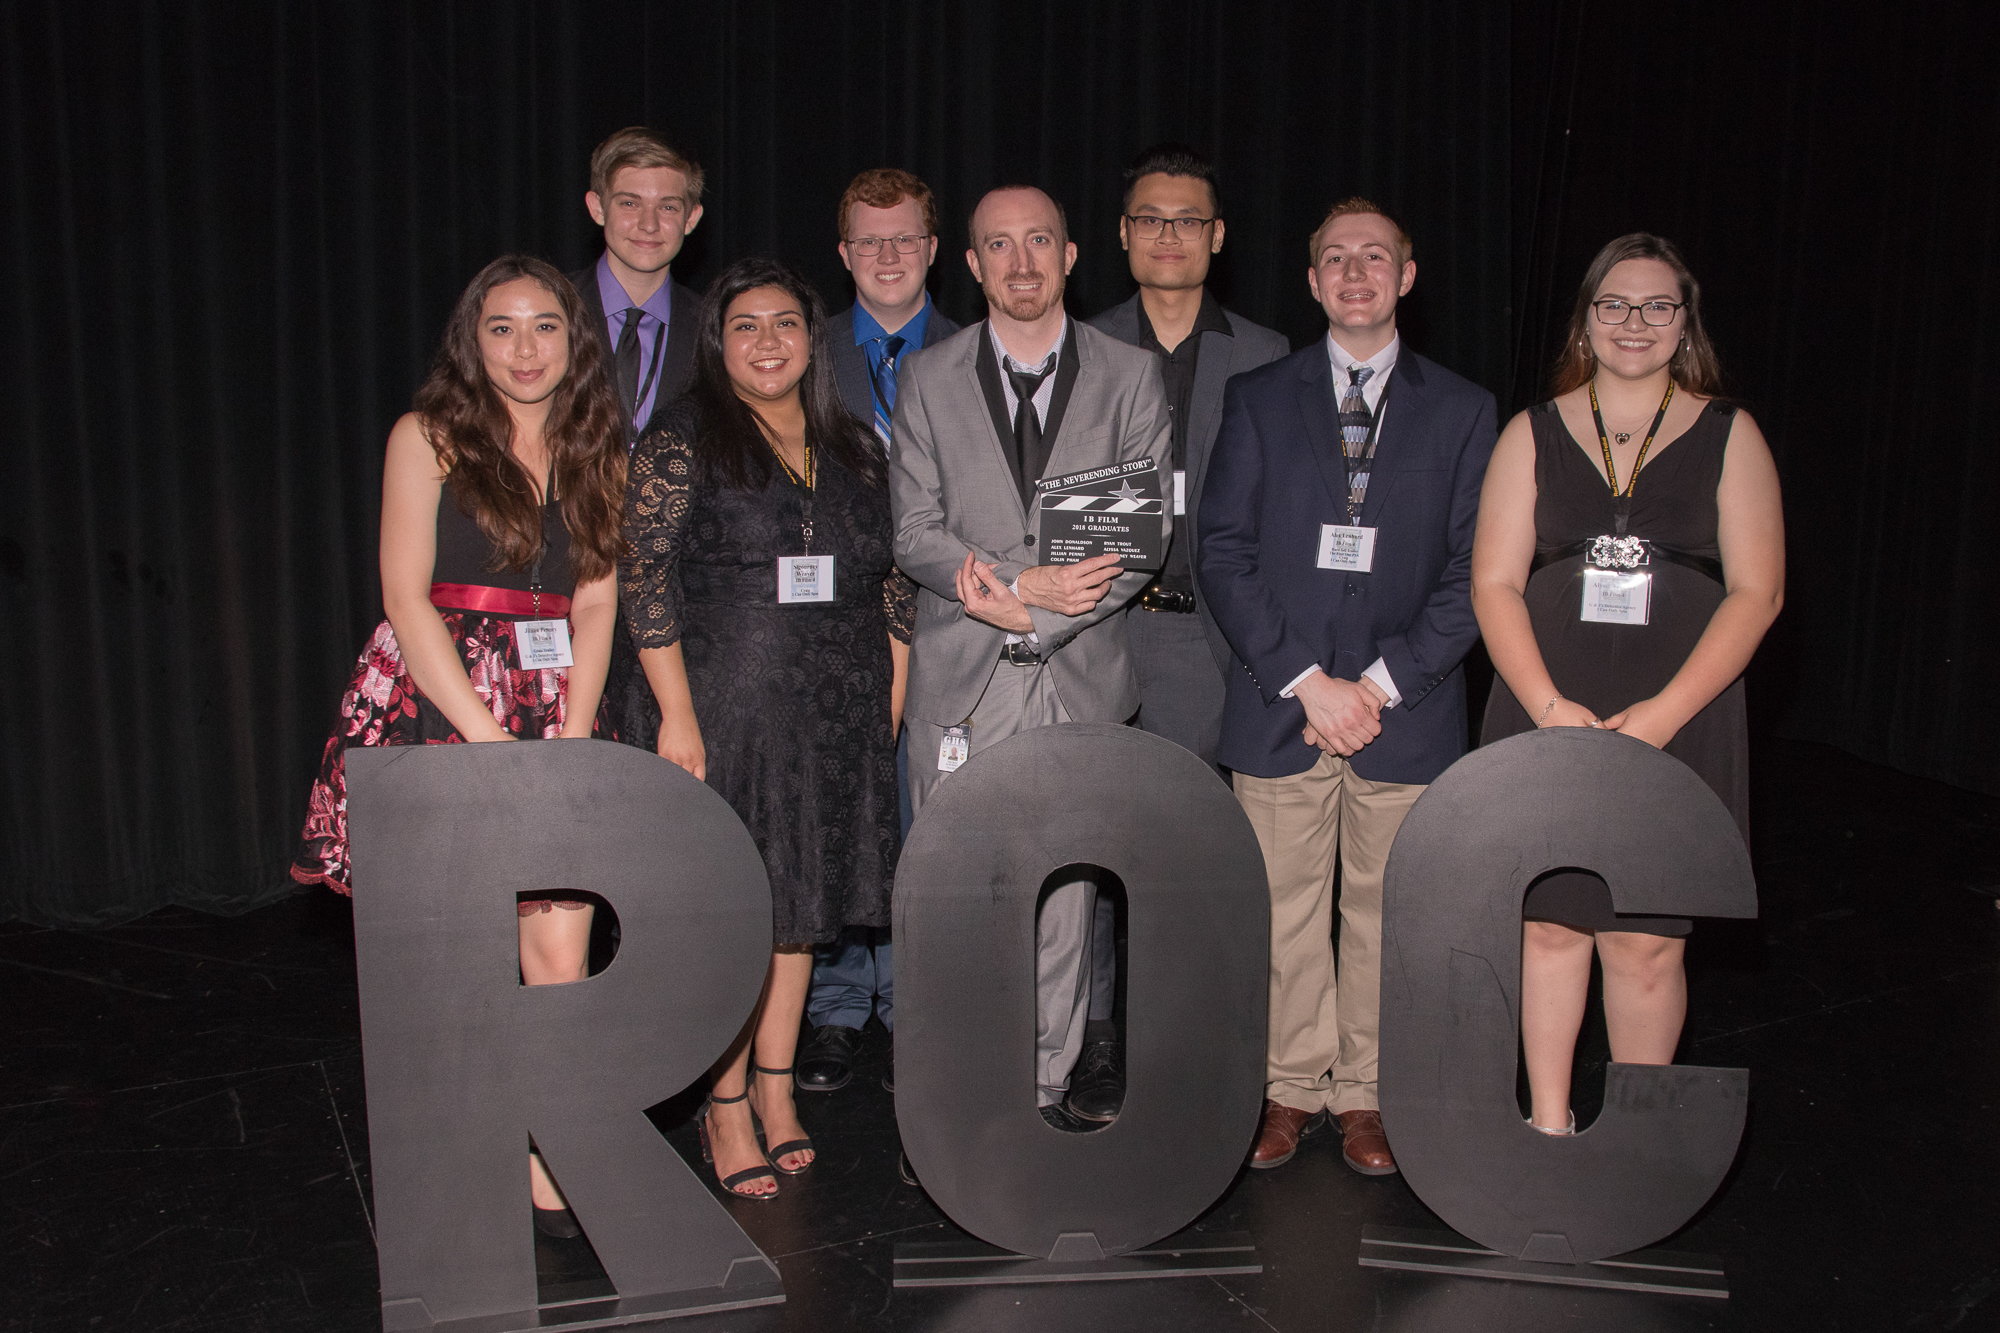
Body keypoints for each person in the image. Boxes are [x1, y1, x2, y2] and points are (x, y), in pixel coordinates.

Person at [292, 254, 626, 1237]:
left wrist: (571, 734)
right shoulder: (428, 435)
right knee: (456, 956)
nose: (524, 348)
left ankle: (548, 1152)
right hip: (440, 700)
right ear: (471, 342)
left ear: (574, 341)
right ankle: (460, 1153)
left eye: (544, 326)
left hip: (557, 697)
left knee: (560, 950)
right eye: (501, 327)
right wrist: (488, 740)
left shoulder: (599, 443)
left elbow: (597, 598)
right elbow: (404, 598)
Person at [1199, 200, 1497, 1176]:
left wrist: (1374, 684)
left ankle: (1366, 1091)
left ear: (1405, 276)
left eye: (1374, 256)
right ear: (1312, 280)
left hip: (1405, 708)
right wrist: (1307, 682)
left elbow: (1476, 570)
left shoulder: (1464, 409)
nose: (1355, 272)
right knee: (1281, 909)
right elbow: (1222, 550)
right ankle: (1291, 1082)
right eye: (1336, 257)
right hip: (1282, 705)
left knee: (1384, 911)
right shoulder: (1256, 396)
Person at [1470, 232, 1784, 1135]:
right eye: (1614, 303)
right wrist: (1547, 709)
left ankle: (1635, 1147)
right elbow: (1493, 582)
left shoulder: (1731, 432)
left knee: (1645, 941)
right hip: (1547, 703)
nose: (1633, 321)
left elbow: (1758, 593)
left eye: (1656, 305)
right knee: (1549, 925)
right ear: (1587, 319)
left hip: (1682, 711)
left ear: (1685, 322)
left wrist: (1663, 717)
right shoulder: (1531, 430)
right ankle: (1550, 1127)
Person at [622, 257, 912, 1198]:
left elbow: (895, 582)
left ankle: (777, 1087)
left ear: (812, 338)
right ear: (718, 342)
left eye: (784, 323)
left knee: (801, 914)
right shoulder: (684, 436)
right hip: (727, 712)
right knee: (740, 915)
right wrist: (676, 715)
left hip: (836, 713)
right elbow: (643, 577)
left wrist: (890, 698)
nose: (766, 341)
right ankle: (725, 1100)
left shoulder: (853, 442)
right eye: (744, 325)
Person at [889, 184, 1170, 1134]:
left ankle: (1041, 1095)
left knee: (1065, 898)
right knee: (953, 896)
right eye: (1000, 245)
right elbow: (914, 532)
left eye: (1040, 240)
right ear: (971, 264)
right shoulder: (927, 377)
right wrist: (1025, 584)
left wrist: (1037, 616)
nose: (1021, 262)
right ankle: (952, 1099)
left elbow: (1140, 543)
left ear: (1071, 254)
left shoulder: (1131, 376)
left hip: (1078, 678)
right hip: (960, 687)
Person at [1081, 143, 1289, 1124]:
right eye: (1150, 218)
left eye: (1188, 219)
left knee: (1215, 860)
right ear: (1123, 235)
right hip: (1105, 632)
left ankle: (1200, 1039)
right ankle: (1099, 1033)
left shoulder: (1270, 354)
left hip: (1220, 643)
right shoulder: (1080, 344)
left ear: (1217, 236)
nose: (1169, 235)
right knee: (1097, 845)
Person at [795, 168, 962, 1097]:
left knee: (922, 812)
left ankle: (913, 999)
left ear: (933, 249)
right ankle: (834, 1001)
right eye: (869, 239)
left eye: (904, 238)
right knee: (835, 807)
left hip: (947, 618)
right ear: (844, 252)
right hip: (829, 622)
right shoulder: (801, 350)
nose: (887, 255)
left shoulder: (979, 350)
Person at [569, 126, 707, 445]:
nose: (649, 224)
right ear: (598, 208)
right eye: (630, 204)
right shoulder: (551, 310)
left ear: (691, 218)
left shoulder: (713, 327)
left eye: (668, 207)